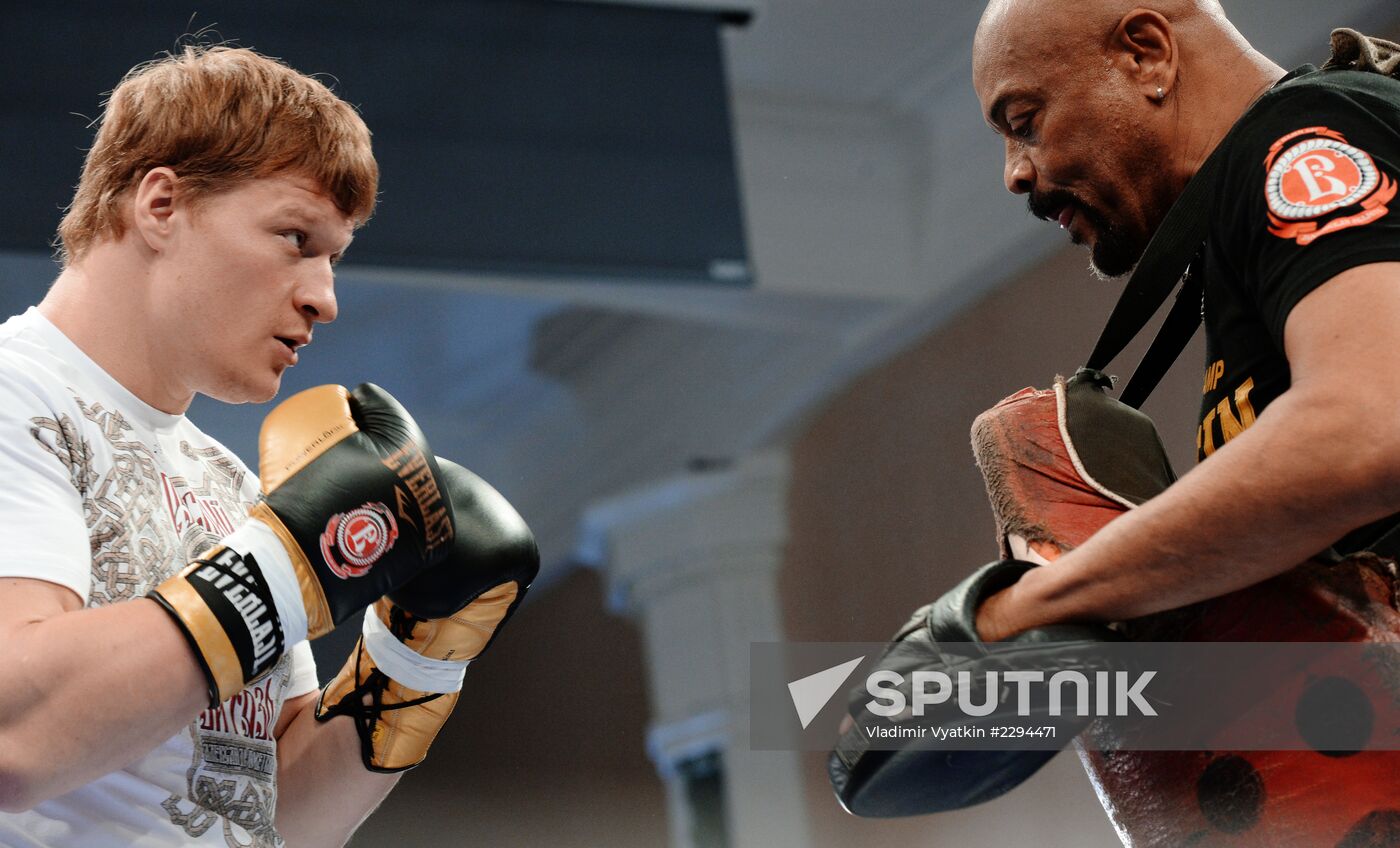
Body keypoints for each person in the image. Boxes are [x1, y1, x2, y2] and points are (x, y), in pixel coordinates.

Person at [0, 46, 537, 847]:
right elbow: (15, 737)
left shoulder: (228, 482)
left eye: (333, 258)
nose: (324, 296)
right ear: (160, 206)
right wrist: (291, 564)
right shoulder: (17, 396)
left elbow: (268, 809)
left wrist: (413, 665)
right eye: (295, 236)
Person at [966, 0, 1400, 640]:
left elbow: (1370, 428)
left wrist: (1026, 609)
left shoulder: (1303, 138)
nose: (1015, 174)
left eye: (1025, 123)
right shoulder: (1242, 220)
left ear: (1146, 54)